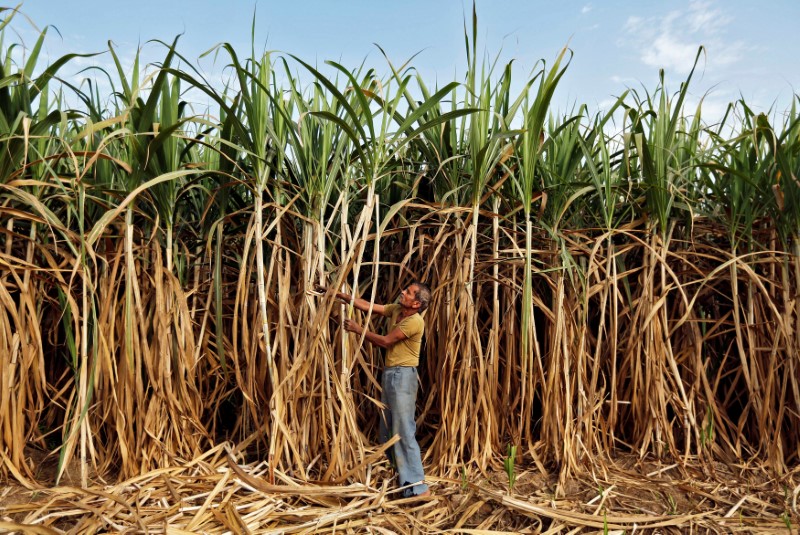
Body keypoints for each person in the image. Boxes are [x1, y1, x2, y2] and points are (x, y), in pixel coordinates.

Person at [316, 280, 431, 498]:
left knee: (404, 430)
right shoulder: (397, 309)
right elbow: (367, 306)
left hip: (404, 376)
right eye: (405, 289)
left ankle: (418, 487)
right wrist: (336, 293)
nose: (403, 292)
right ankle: (401, 480)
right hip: (391, 374)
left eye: (408, 292)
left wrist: (359, 330)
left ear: (416, 304)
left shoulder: (415, 322)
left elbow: (387, 342)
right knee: (387, 429)